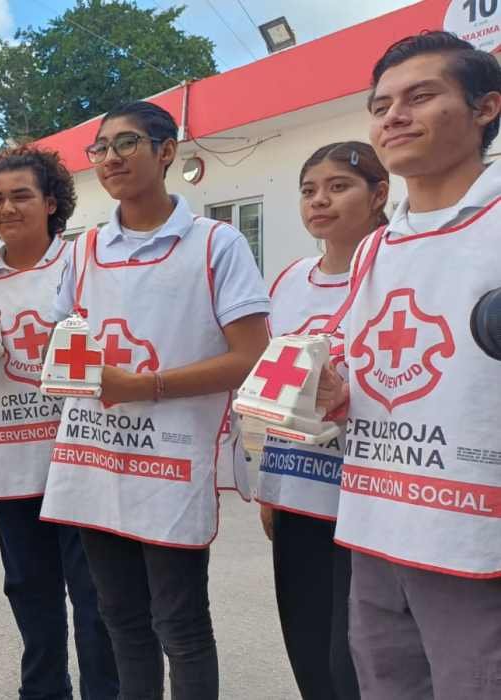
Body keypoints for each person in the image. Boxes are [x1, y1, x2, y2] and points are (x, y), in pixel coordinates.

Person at [41, 101, 270, 699]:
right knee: (119, 618)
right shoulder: (83, 249)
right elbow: (63, 342)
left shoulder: (216, 244)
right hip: (95, 458)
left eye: (126, 144)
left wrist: (145, 387)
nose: (110, 159)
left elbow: (250, 357)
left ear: (166, 151)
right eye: (100, 148)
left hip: (169, 459)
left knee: (181, 623)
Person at [317, 32, 501, 699]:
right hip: (375, 530)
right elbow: (351, 374)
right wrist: (328, 391)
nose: (392, 116)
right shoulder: (375, 249)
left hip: (475, 544)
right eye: (380, 103)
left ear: (485, 108)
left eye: (420, 96)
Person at [0, 146, 119, 699]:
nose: (7, 208)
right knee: (29, 594)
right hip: (9, 462)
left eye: (21, 195)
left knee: (96, 600)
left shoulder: (83, 266)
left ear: (52, 202)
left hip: (78, 461)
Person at [259, 142, 386, 700]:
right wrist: (269, 486)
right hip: (297, 491)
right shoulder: (290, 279)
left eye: (339, 186)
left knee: (357, 658)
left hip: (369, 495)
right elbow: (273, 385)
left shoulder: (397, 267)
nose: (320, 200)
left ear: (379, 194)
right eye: (309, 190)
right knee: (308, 648)